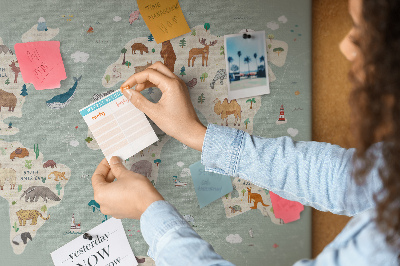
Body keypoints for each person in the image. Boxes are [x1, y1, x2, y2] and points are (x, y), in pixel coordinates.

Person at [91, 0, 400, 264]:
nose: (346, 46)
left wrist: (149, 210)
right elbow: (345, 178)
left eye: (364, 31)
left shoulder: (385, 248)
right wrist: (196, 134)